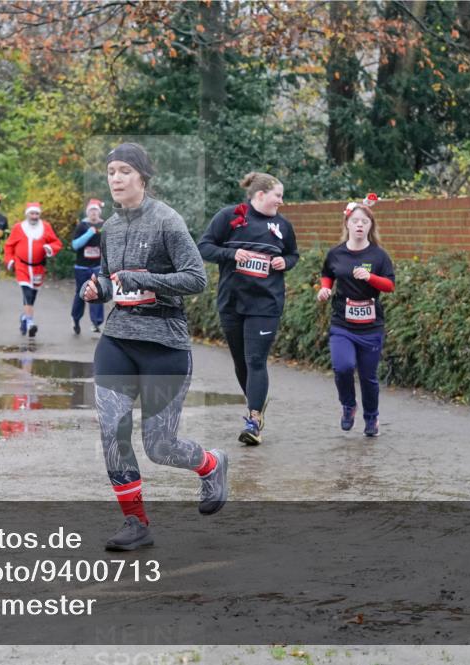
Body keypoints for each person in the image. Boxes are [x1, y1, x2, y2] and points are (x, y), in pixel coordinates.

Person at [81, 142, 227, 551]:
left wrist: (146, 279)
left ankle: (211, 464)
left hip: (164, 344)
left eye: (124, 171)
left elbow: (196, 279)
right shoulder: (109, 227)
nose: (116, 179)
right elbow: (114, 281)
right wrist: (100, 288)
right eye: (111, 172)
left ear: (142, 177)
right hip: (118, 340)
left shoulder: (167, 221)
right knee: (112, 429)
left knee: (160, 447)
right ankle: (135, 522)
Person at [198, 172, 299, 446]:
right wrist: (232, 254)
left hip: (265, 304)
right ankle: (257, 402)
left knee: (256, 360)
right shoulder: (229, 217)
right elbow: (204, 247)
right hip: (231, 302)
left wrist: (284, 263)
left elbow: (293, 254)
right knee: (241, 362)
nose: (281, 200)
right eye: (278, 195)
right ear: (260, 195)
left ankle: (253, 420)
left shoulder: (282, 226)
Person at [317, 194, 394, 438]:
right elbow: (328, 273)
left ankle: (372, 418)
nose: (360, 225)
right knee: (343, 367)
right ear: (347, 224)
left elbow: (390, 285)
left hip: (371, 326)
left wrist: (370, 277)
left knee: (369, 377)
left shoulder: (379, 256)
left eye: (365, 222)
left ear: (370, 227)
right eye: (356, 221)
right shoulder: (336, 254)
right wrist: (325, 288)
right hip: (343, 323)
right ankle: (348, 406)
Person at [4, 202, 62, 337]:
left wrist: (49, 248)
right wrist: (10, 260)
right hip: (22, 266)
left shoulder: (46, 227)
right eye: (32, 213)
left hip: (38, 267)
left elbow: (57, 243)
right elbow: (9, 246)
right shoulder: (19, 227)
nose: (34, 216)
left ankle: (24, 317)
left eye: (36, 214)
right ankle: (30, 322)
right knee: (27, 292)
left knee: (32, 296)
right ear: (27, 214)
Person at [70, 198, 106, 334]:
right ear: (88, 212)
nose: (94, 213)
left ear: (99, 212)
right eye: (91, 211)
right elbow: (75, 245)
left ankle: (96, 323)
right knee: (81, 293)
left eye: (96, 211)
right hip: (81, 267)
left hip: (98, 267)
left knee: (97, 293)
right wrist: (89, 233)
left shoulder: (104, 225)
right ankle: (76, 319)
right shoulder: (82, 226)